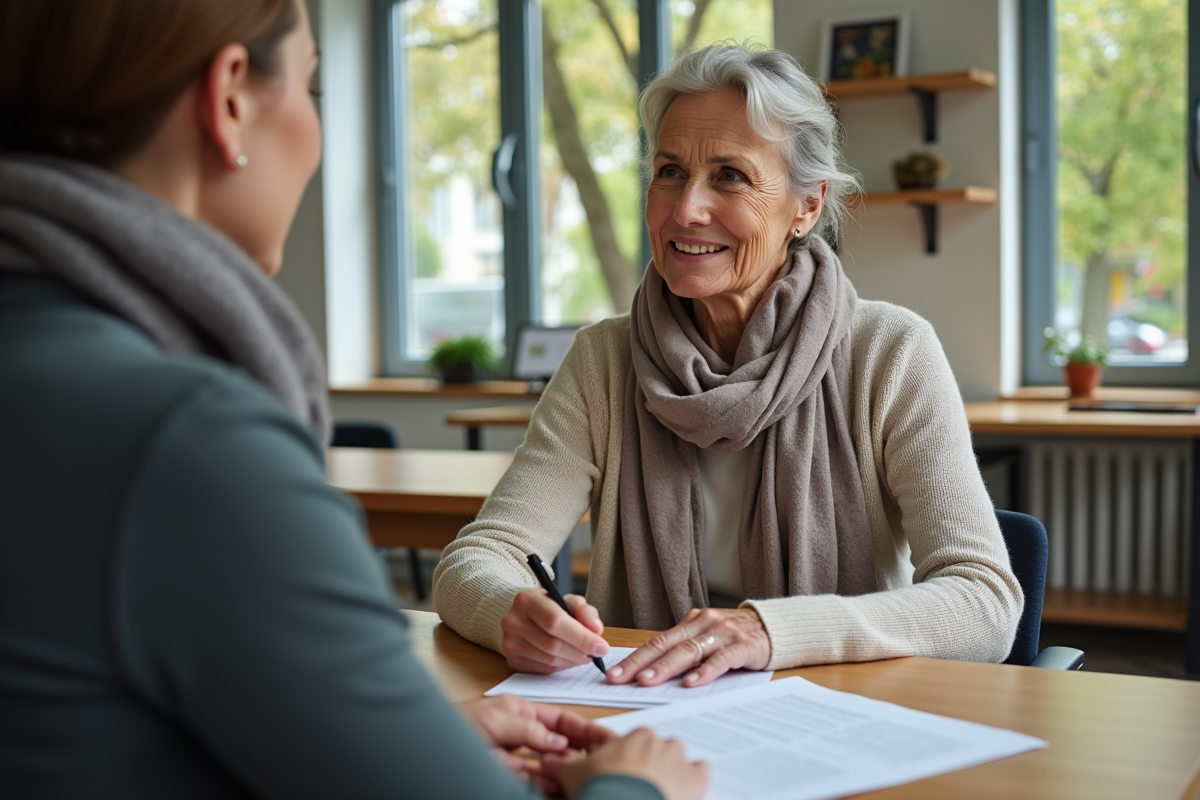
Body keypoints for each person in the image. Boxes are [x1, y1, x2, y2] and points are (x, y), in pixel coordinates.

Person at [0, 2, 708, 798]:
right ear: (230, 99)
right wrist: (636, 787)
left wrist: (406, 745)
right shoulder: (189, 443)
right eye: (313, 88)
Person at [433, 44, 1023, 689]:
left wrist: (767, 632)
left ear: (807, 205)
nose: (685, 209)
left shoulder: (890, 351)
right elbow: (481, 557)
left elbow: (985, 602)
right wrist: (510, 612)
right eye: (668, 172)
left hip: (841, 710)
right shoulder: (603, 360)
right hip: (652, 711)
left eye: (731, 176)